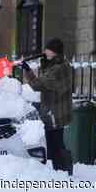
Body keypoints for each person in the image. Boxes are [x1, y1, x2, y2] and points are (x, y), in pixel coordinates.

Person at [20, 38, 73, 176]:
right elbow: (44, 82)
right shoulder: (57, 65)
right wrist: (44, 63)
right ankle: (60, 170)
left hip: (56, 111)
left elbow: (38, 85)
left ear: (54, 51)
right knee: (53, 141)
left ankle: (64, 170)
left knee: (55, 143)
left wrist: (27, 70)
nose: (44, 52)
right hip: (53, 110)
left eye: (47, 49)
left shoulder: (60, 68)